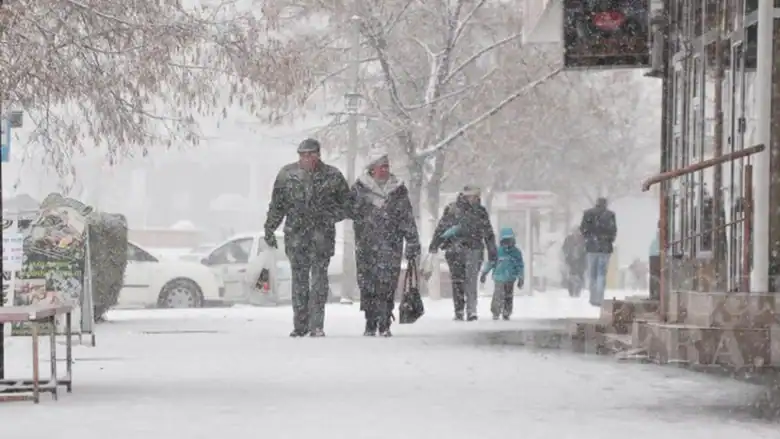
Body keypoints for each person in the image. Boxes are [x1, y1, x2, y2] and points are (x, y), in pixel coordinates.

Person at [264, 138, 350, 337]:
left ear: (318, 155)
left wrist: (328, 215)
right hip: (296, 234)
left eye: (309, 154)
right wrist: (269, 228)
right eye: (302, 155)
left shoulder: (332, 176)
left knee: (319, 281)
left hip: (322, 235)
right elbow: (277, 205)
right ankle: (300, 324)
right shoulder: (287, 175)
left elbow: (347, 205)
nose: (305, 159)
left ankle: (316, 325)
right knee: (299, 280)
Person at [347, 152, 420, 337]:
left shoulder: (398, 190)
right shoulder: (359, 189)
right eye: (382, 167)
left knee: (388, 284)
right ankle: (370, 321)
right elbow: (349, 211)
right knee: (368, 283)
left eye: (387, 167)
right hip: (366, 244)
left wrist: (412, 241)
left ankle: (385, 320)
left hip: (391, 244)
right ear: (372, 170)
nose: (385, 170)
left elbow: (407, 217)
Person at [429, 186, 497, 321]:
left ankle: (471, 310)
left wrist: (492, 250)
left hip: (474, 249)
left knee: (471, 281)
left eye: (478, 196)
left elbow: (488, 232)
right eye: (474, 196)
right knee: (457, 281)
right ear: (466, 196)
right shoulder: (452, 209)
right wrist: (435, 244)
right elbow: (442, 227)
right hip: (455, 250)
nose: (476, 198)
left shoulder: (480, 211)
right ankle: (459, 310)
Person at [579, 197, 617, 307]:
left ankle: (593, 298)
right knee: (601, 274)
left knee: (592, 274)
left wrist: (590, 239)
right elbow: (613, 231)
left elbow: (583, 229)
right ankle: (600, 298)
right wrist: (607, 240)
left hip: (591, 248)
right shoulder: (610, 215)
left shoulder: (588, 214)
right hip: (604, 249)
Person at [479, 227, 524, 320]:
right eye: (505, 241)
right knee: (498, 295)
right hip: (499, 277)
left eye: (509, 240)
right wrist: (484, 273)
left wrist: (521, 277)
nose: (508, 243)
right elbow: (491, 263)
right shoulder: (498, 252)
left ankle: (507, 311)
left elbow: (520, 266)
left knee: (508, 296)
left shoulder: (516, 253)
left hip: (510, 278)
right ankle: (496, 311)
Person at [561, 227, 587, 297]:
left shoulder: (583, 239)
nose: (576, 232)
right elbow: (564, 248)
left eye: (577, 231)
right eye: (574, 231)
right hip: (571, 261)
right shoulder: (568, 239)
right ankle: (571, 292)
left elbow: (587, 249)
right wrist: (566, 254)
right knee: (571, 277)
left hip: (580, 261)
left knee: (579, 277)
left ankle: (578, 292)